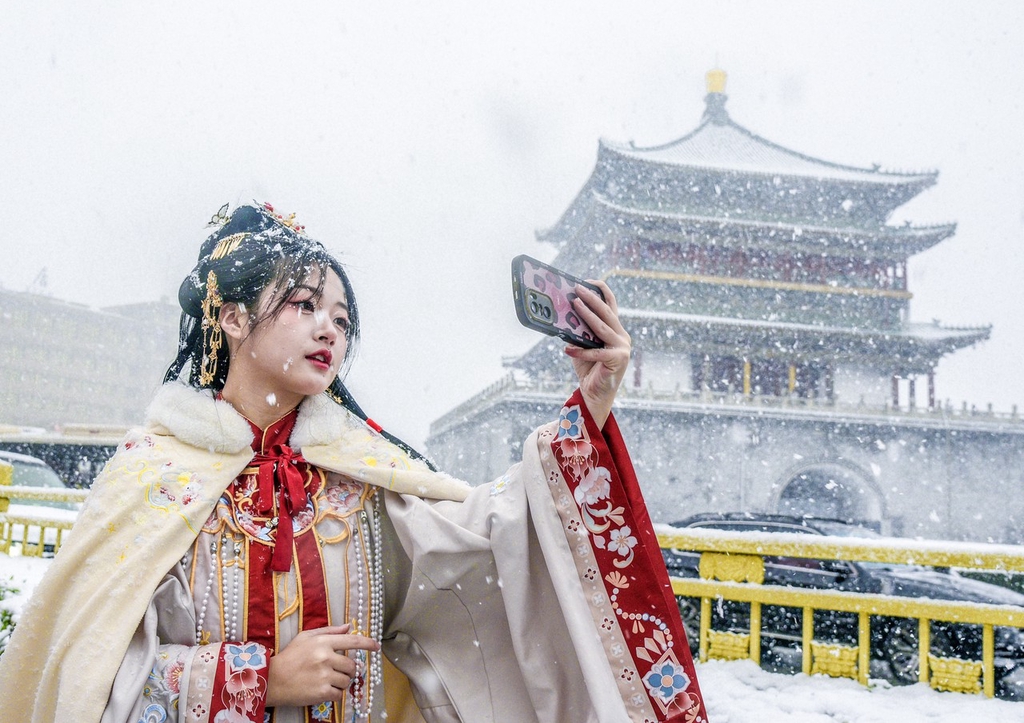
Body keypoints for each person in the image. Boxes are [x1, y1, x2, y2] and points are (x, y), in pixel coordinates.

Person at [0, 202, 706, 723]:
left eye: (341, 317)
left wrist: (591, 403)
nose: (328, 328)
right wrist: (260, 679)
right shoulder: (154, 473)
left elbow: (489, 551)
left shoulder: (360, 475)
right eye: (303, 304)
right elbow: (84, 671)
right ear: (233, 317)